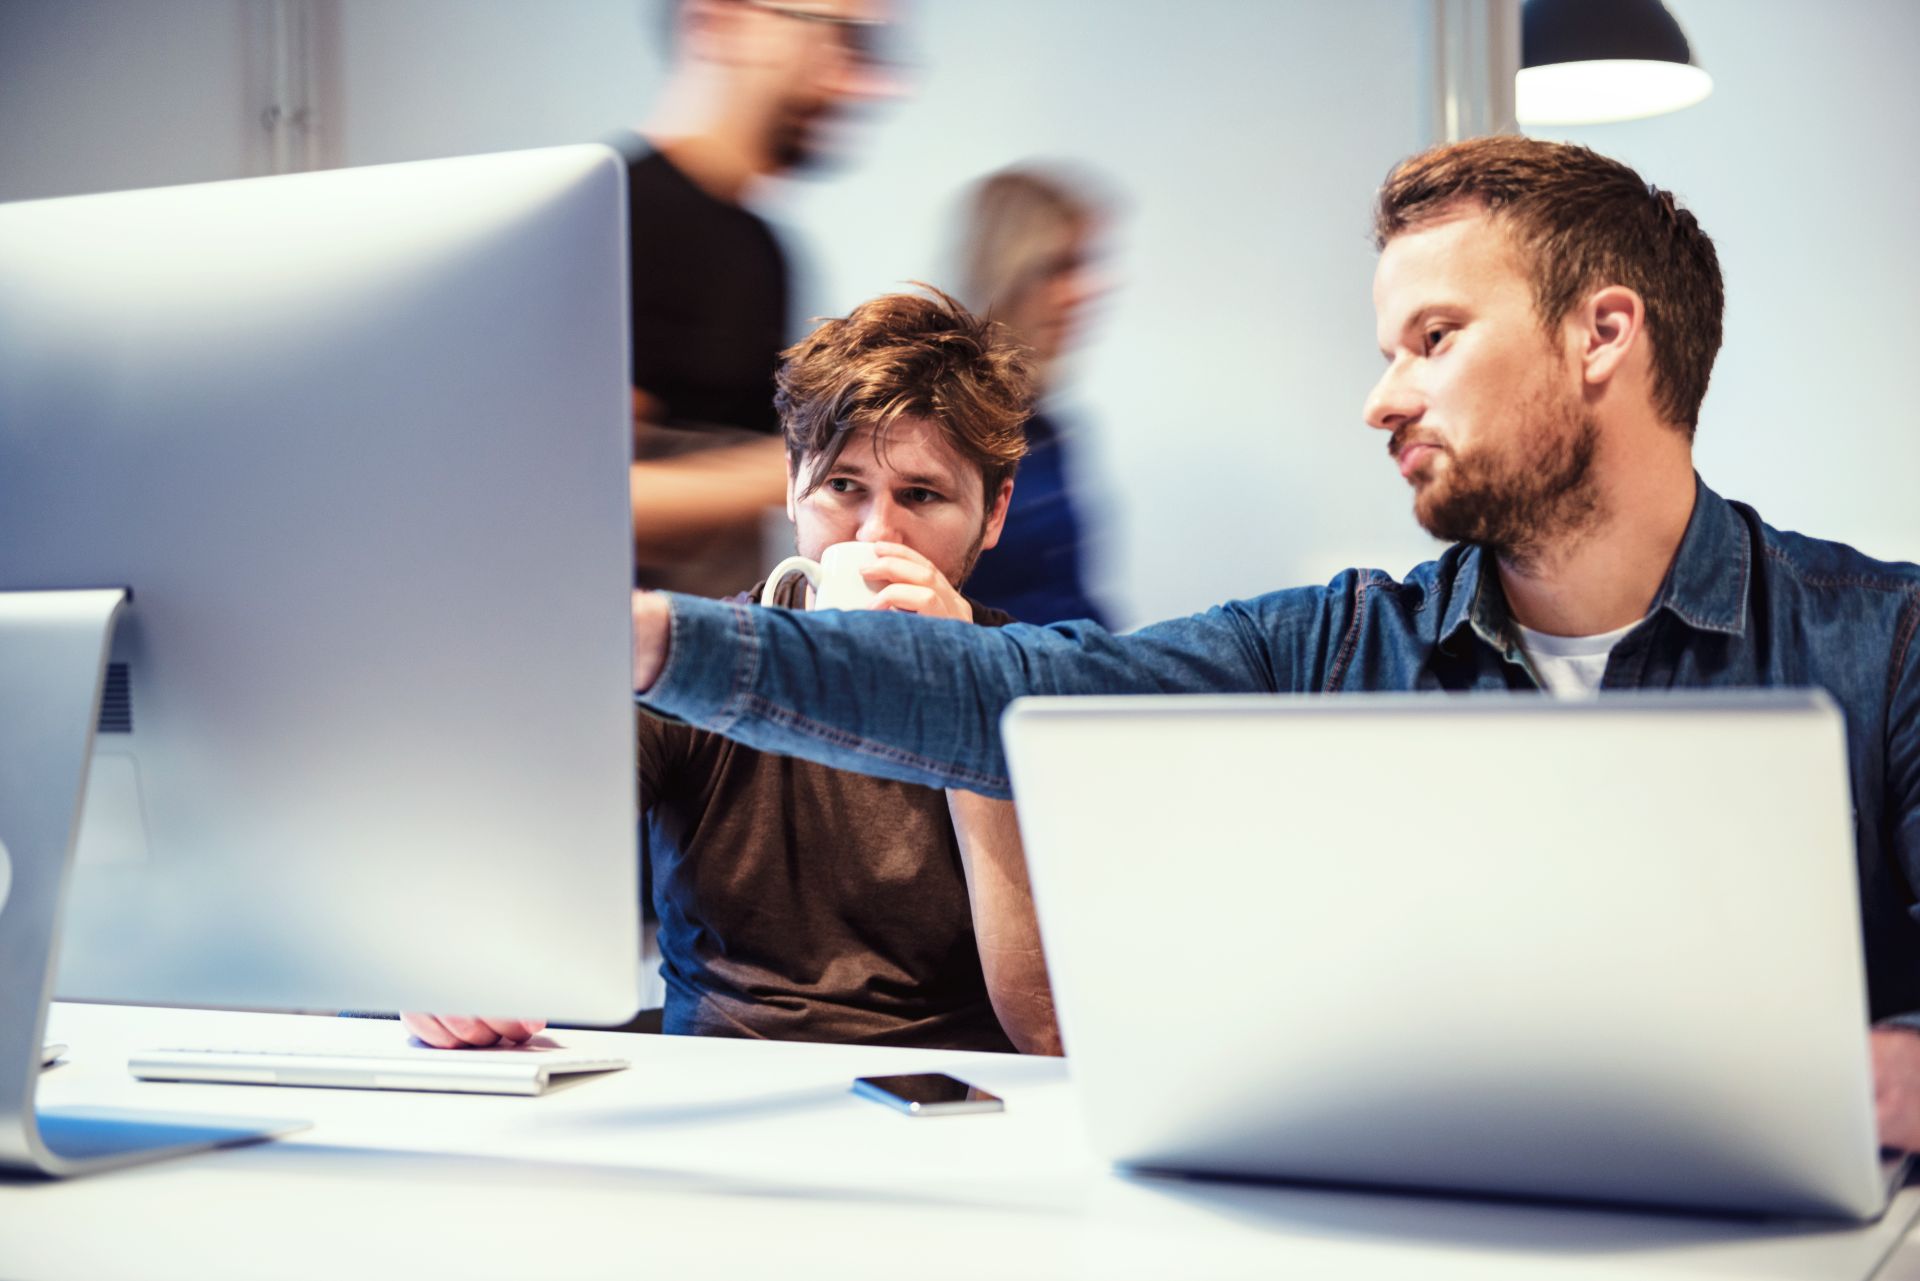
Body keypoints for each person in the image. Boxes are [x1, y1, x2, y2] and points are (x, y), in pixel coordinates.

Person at [629, 136, 1920, 1147]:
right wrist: (649, 641)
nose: (1381, 397)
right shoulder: (1335, 645)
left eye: (1434, 339)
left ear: (1604, 333)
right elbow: (1018, 688)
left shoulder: (1890, 644)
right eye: (1386, 349)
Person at [406, 289, 1062, 1056]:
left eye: (922, 495)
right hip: (724, 1090)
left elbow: (1049, 1032)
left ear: (994, 513)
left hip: (967, 1101)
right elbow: (510, 860)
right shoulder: (702, 658)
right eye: (843, 487)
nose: (878, 532)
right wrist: (447, 962)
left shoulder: (1044, 686)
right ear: (792, 486)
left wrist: (965, 693)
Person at [620, 0, 897, 597]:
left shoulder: (761, 248)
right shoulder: (626, 219)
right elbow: (576, 501)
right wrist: (820, 463)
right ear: (721, 19)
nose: (866, 84)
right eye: (838, 37)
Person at [950, 164, 1114, 626]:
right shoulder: (943, 427)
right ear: (1007, 272)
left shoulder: (1047, 428)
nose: (1084, 292)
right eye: (1060, 268)